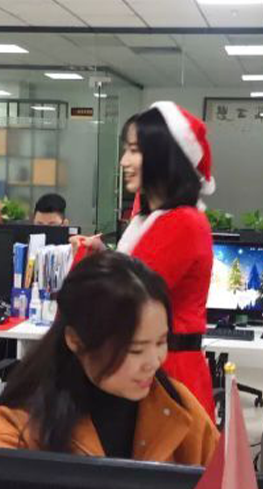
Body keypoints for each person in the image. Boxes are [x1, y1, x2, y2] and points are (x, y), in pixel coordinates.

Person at [0, 251, 219, 489]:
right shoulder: (19, 421)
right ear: (76, 340)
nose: (153, 362)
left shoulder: (174, 406)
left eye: (161, 342)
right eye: (135, 350)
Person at [73, 102, 217, 417]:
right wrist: (103, 258)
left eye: (134, 150)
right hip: (152, 369)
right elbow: (136, 277)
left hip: (167, 377)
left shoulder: (181, 223)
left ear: (164, 156)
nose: (124, 161)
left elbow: (122, 299)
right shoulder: (153, 220)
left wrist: (88, 270)